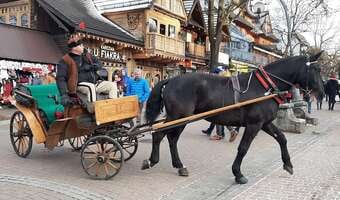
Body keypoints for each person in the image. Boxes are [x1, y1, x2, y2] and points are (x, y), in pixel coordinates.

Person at [56, 35, 118, 106]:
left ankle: (111, 107)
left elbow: (99, 63)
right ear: (74, 48)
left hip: (95, 83)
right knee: (91, 87)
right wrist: (64, 94)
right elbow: (60, 78)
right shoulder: (65, 60)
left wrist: (95, 66)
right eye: (80, 45)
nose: (83, 46)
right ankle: (94, 110)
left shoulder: (87, 55)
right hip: (78, 85)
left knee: (112, 85)